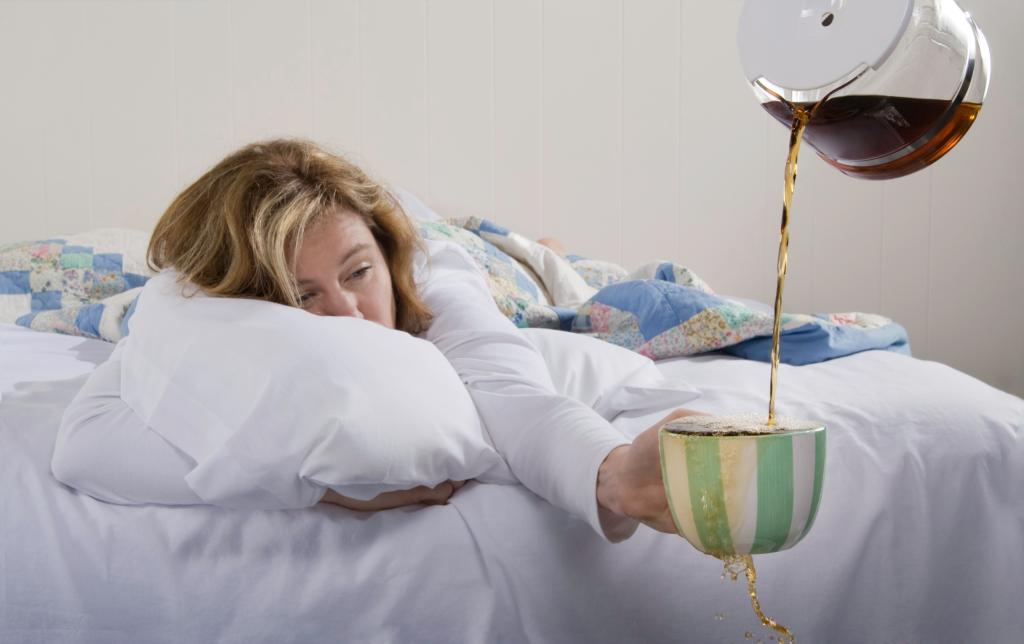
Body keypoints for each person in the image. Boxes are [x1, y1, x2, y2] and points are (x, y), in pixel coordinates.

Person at [52, 138, 702, 542]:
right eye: (303, 296)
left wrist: (612, 475)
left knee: (545, 270)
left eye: (357, 272)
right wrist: (319, 484)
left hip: (472, 255)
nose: (350, 314)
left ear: (384, 254)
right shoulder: (202, 313)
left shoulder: (432, 279)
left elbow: (508, 391)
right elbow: (84, 447)